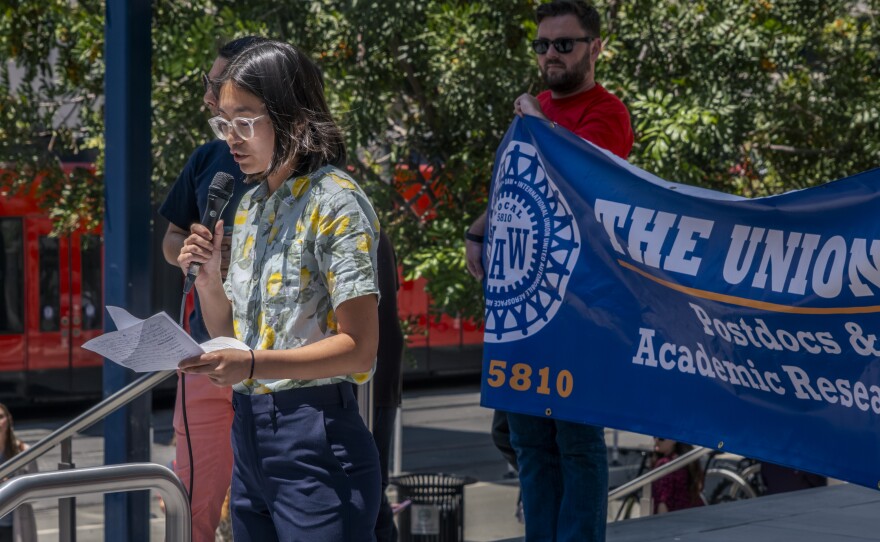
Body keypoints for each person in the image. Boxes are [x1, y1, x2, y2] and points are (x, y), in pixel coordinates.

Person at [177, 40, 382, 541]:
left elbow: (361, 349)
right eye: (223, 123)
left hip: (315, 435)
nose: (230, 138)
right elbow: (231, 333)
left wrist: (252, 366)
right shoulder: (250, 206)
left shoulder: (337, 202)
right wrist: (208, 284)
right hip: (249, 435)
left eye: (244, 121)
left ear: (290, 116)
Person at [466, 2, 634, 540]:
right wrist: (478, 230)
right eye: (542, 45)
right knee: (529, 445)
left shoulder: (606, 112)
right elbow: (520, 191)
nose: (550, 55)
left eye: (564, 44)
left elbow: (589, 185)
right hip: (523, 306)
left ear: (596, 48)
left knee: (577, 445)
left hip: (580, 309)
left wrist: (537, 123)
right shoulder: (535, 107)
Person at [158, 35, 266, 542]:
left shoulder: (301, 174)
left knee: (260, 501)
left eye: (218, 84)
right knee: (193, 498)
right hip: (205, 348)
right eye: (210, 83)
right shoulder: (207, 158)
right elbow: (171, 238)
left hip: (270, 356)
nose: (209, 96)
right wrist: (192, 254)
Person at [372, 230, 405, 542]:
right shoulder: (376, 231)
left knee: (369, 488)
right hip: (379, 380)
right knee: (373, 487)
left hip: (372, 384)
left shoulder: (361, 230)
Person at [0, 403, 37, 542]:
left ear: (9, 420)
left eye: (0, 417)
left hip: (15, 524)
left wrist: (13, 487)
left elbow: (35, 493)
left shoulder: (23, 451)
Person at [651, 438, 704, 514]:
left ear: (674, 440)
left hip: (673, 519)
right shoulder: (686, 461)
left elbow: (663, 502)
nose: (656, 441)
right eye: (654, 436)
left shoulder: (665, 464)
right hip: (693, 515)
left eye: (661, 438)